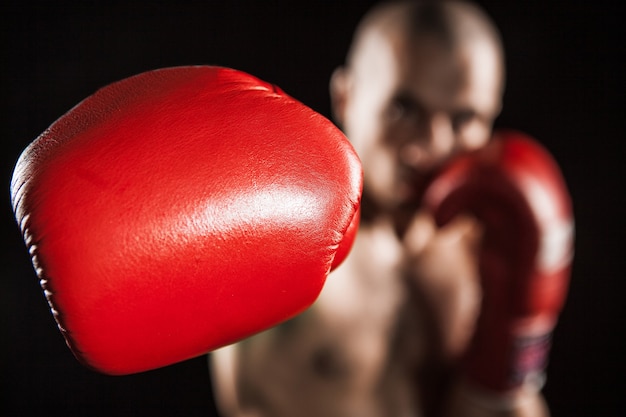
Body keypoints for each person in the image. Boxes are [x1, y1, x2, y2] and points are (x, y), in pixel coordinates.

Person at [209, 1, 552, 416]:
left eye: (464, 119)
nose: (433, 146)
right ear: (346, 97)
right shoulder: (275, 248)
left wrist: (513, 352)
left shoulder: (488, 243)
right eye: (404, 109)